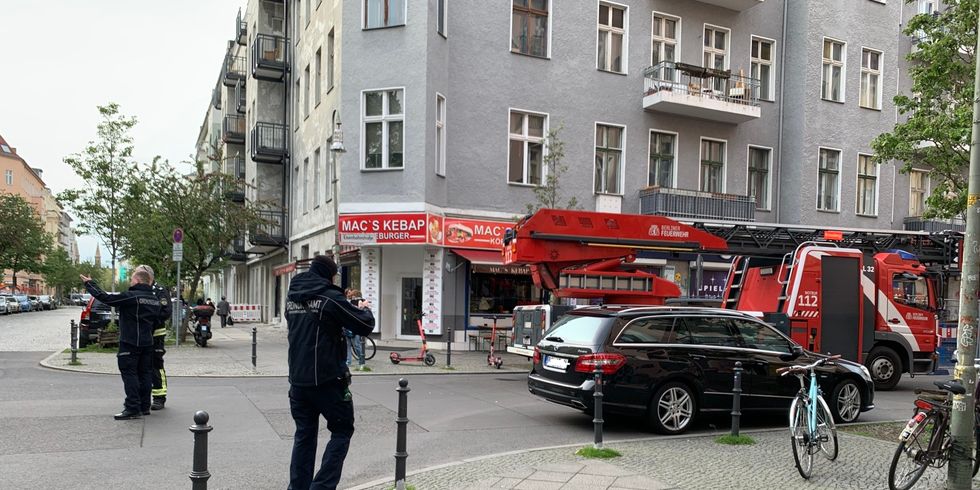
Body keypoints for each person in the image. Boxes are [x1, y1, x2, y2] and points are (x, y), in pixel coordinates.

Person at [286, 255, 374, 489]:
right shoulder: (329, 298)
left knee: (304, 436)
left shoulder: (292, 297)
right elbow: (363, 325)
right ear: (329, 274)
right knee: (342, 429)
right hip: (327, 380)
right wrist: (363, 309)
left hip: (298, 382)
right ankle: (322, 486)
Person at [81, 269, 164, 420]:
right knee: (145, 374)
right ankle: (144, 406)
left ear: (138, 281)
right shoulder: (154, 300)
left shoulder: (131, 297)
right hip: (147, 342)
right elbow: (159, 319)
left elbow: (106, 298)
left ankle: (132, 407)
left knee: (129, 373)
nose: (130, 282)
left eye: (132, 280)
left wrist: (89, 284)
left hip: (130, 341)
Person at [134, 265, 172, 411]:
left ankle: (159, 397)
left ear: (148, 276)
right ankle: (142, 397)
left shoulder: (159, 291)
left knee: (156, 365)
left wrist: (150, 320)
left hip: (156, 333)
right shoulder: (139, 289)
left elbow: (166, 311)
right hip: (141, 333)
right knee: (140, 365)